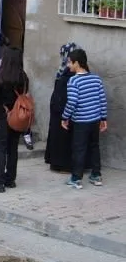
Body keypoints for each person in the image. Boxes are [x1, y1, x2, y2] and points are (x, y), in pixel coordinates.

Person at [61, 49, 108, 190]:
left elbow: (72, 102)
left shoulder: (74, 80)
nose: (68, 65)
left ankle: (76, 178)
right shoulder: (96, 79)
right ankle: (96, 175)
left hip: (81, 121)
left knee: (79, 149)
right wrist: (103, 118)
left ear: (77, 63)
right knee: (94, 147)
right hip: (95, 120)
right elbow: (102, 100)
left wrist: (65, 117)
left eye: (70, 62)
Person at [0, 47, 29, 193]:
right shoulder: (23, 77)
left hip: (3, 117)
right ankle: (10, 179)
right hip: (17, 116)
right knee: (13, 148)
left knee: (1, 148)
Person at [45, 42, 80, 173]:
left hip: (65, 109)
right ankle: (58, 163)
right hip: (61, 109)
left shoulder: (72, 72)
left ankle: (64, 165)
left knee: (64, 137)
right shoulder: (64, 69)